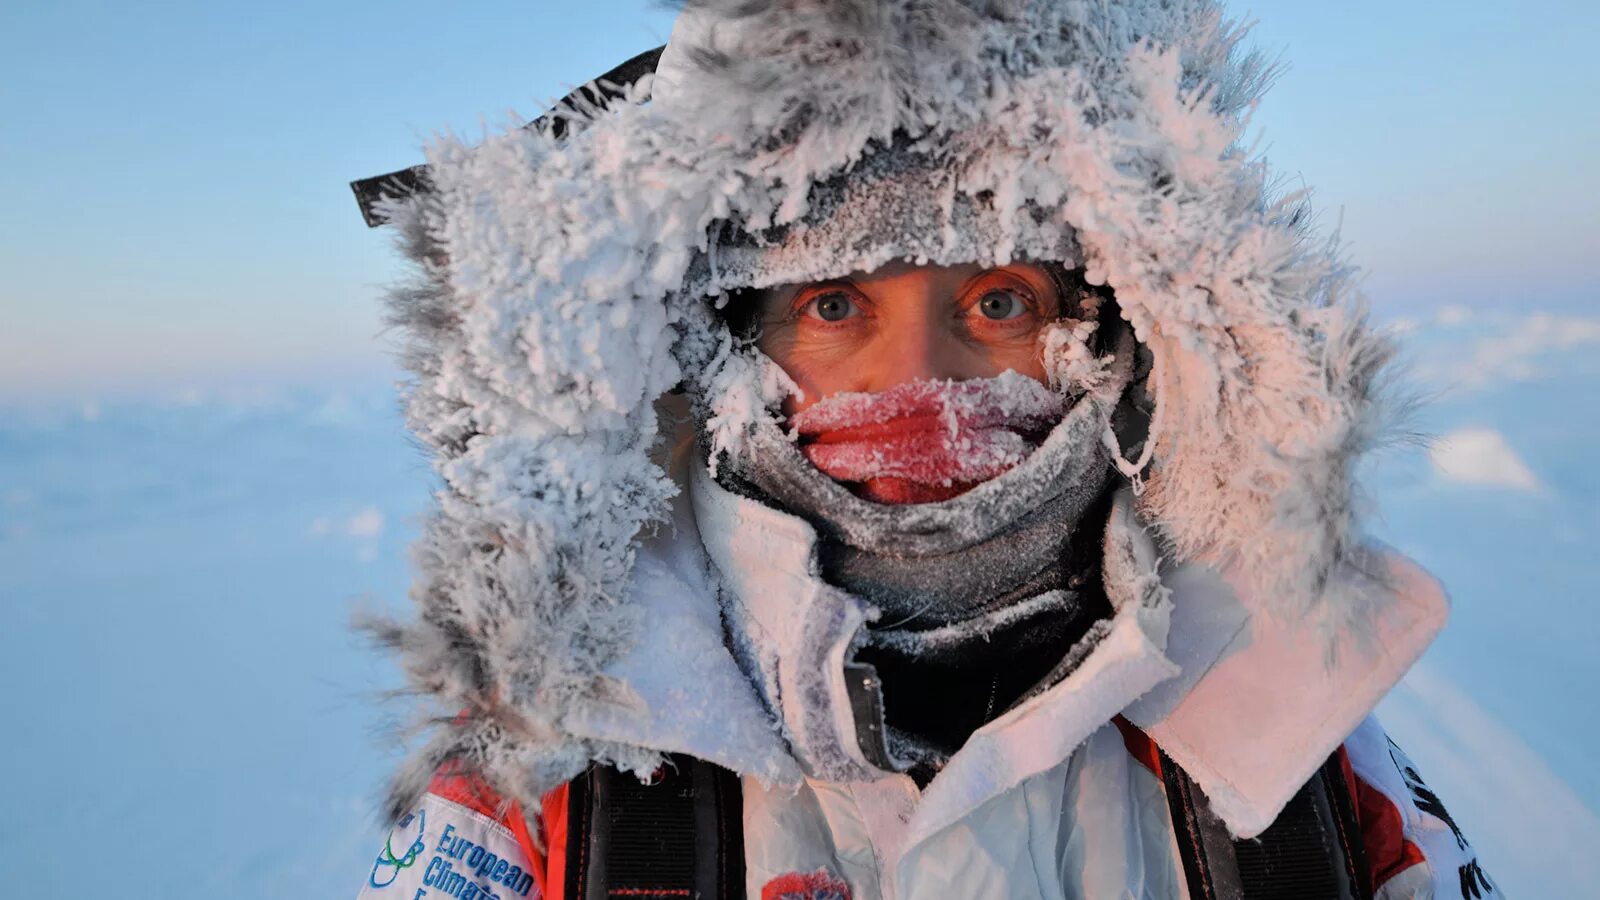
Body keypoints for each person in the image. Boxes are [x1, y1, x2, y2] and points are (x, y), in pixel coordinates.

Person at [350, 1, 1499, 897]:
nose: (920, 383)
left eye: (997, 302)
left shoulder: (1283, 727)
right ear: (721, 354)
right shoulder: (550, 764)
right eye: (837, 308)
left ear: (1110, 333)